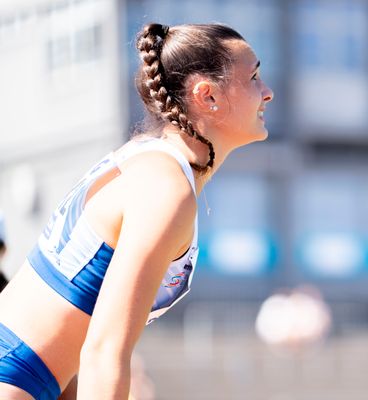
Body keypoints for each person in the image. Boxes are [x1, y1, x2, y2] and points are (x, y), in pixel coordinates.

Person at [0, 22, 273, 400]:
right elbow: (104, 352)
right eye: (255, 77)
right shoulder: (167, 189)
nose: (268, 92)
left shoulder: (149, 160)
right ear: (207, 95)